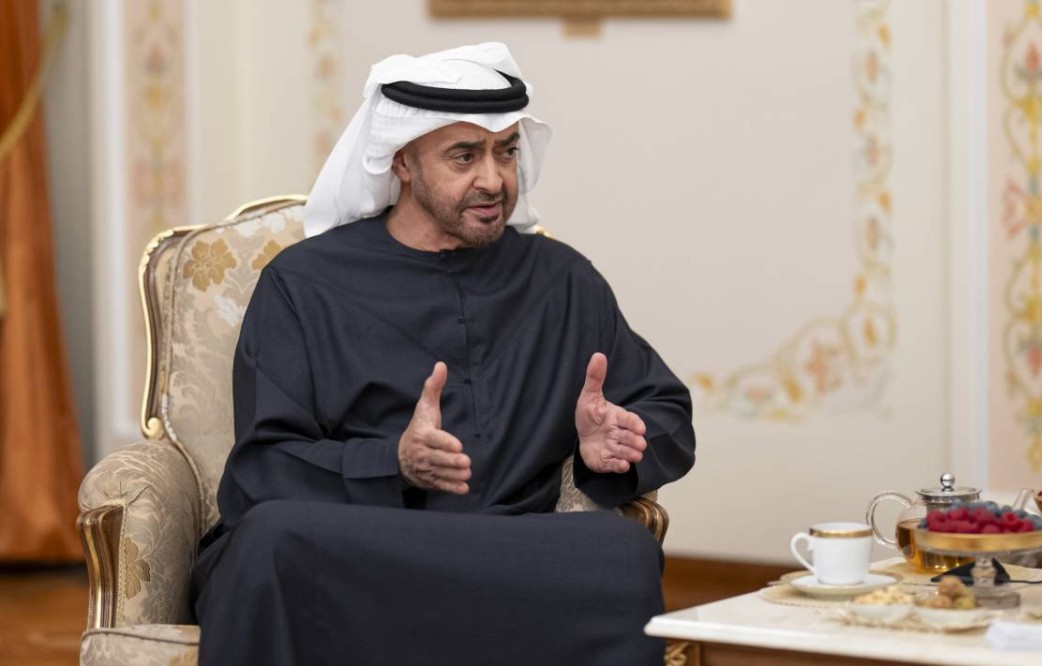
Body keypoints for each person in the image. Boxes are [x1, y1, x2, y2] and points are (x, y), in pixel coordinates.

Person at [188, 42, 695, 665]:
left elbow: (666, 410)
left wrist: (615, 442)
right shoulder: (303, 284)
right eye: (465, 155)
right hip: (363, 547)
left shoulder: (562, 279)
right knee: (269, 540)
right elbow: (263, 469)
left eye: (506, 151)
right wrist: (393, 463)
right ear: (402, 161)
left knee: (623, 555)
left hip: (505, 549)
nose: (494, 179)